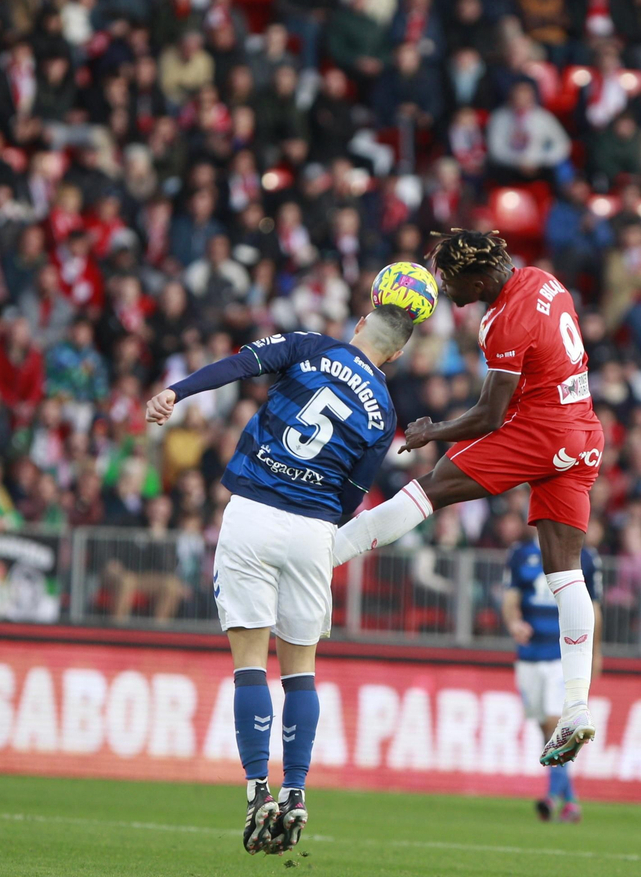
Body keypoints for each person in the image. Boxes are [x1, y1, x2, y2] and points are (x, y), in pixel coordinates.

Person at [144, 304, 417, 856]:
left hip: (254, 512)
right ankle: (295, 792)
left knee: (250, 664)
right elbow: (354, 492)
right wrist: (317, 525)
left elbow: (240, 365)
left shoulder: (314, 346)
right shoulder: (385, 409)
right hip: (313, 530)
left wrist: (178, 391)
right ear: (399, 352)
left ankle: (256, 790)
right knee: (301, 674)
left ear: (362, 322)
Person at [331, 230, 606, 768]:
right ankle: (577, 707)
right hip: (584, 431)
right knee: (565, 573)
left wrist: (433, 431)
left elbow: (490, 416)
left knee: (431, 487)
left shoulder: (501, 321)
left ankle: (326, 556)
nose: (444, 290)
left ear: (479, 280)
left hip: (540, 430)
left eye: (450, 281)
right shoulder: (544, 281)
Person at [504, 529, 602, 822]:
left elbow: (593, 609)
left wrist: (595, 654)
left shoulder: (584, 556)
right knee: (545, 729)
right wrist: (513, 623)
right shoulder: (521, 554)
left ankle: (550, 796)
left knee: (553, 723)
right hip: (529, 655)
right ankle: (569, 799)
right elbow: (511, 598)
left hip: (563, 655)